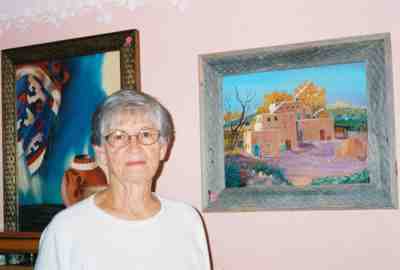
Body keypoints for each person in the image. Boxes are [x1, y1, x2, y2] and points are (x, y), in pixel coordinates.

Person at [35, 89, 211, 270]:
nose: (134, 146)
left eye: (146, 135)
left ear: (163, 148)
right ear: (101, 153)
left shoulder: (187, 221)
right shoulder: (65, 230)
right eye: (119, 136)